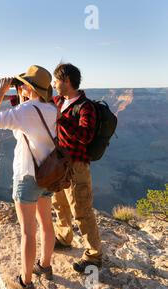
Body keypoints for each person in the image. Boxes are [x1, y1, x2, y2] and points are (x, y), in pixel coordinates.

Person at [0, 65, 57, 289]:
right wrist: (18, 95)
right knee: (46, 223)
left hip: (27, 176)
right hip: (49, 174)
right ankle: (45, 265)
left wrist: (0, 92)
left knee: (28, 232)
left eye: (23, 84)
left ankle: (26, 282)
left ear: (29, 87)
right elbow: (27, 117)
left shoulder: (26, 110)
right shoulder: (52, 108)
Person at [51, 63, 103, 272]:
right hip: (58, 164)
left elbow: (85, 136)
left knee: (81, 210)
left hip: (77, 167)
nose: (54, 85)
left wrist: (62, 118)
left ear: (67, 81)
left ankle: (94, 256)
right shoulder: (57, 101)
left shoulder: (85, 107)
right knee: (59, 204)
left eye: (56, 81)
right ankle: (64, 237)